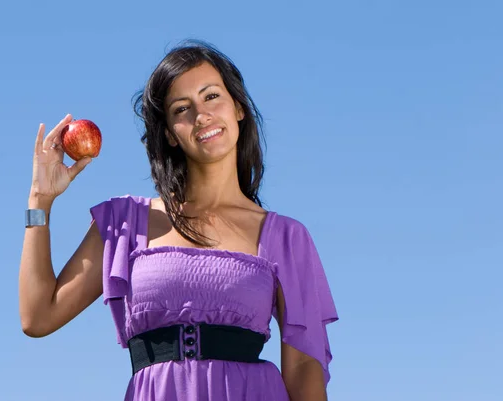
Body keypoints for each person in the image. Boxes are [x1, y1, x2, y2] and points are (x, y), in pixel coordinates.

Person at [19, 40, 339, 401]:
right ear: (170, 133)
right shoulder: (124, 224)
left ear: (238, 108)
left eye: (212, 96)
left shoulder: (286, 237)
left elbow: (303, 372)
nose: (201, 115)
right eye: (182, 108)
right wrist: (40, 201)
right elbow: (38, 317)